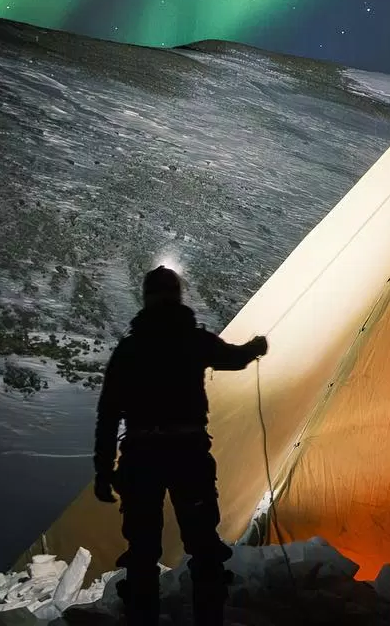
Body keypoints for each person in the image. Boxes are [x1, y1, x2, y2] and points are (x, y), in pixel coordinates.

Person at [94, 266, 268, 626]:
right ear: (177, 296)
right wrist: (256, 347)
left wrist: (102, 471)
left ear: (146, 298)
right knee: (203, 542)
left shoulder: (130, 349)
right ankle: (209, 617)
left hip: (141, 458)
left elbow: (108, 413)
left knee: (142, 549)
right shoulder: (193, 340)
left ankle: (143, 617)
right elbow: (233, 359)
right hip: (188, 454)